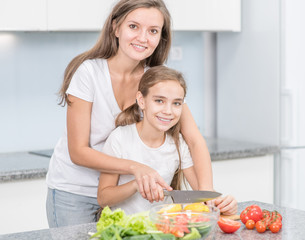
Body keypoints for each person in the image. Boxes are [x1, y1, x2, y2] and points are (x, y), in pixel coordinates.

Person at [46, 0, 217, 228]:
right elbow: (78, 152)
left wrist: (205, 196)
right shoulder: (88, 73)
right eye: (134, 26)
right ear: (116, 28)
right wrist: (137, 168)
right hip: (76, 192)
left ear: (160, 37)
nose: (143, 38)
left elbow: (195, 141)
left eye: (153, 31)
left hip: (125, 197)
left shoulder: (155, 83)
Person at [97, 66, 237, 215]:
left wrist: (223, 205)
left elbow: (202, 194)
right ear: (141, 100)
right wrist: (135, 185)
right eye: (159, 101)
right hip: (126, 230)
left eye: (176, 103)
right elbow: (103, 197)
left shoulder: (178, 144)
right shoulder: (120, 138)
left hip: (164, 228)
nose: (168, 111)